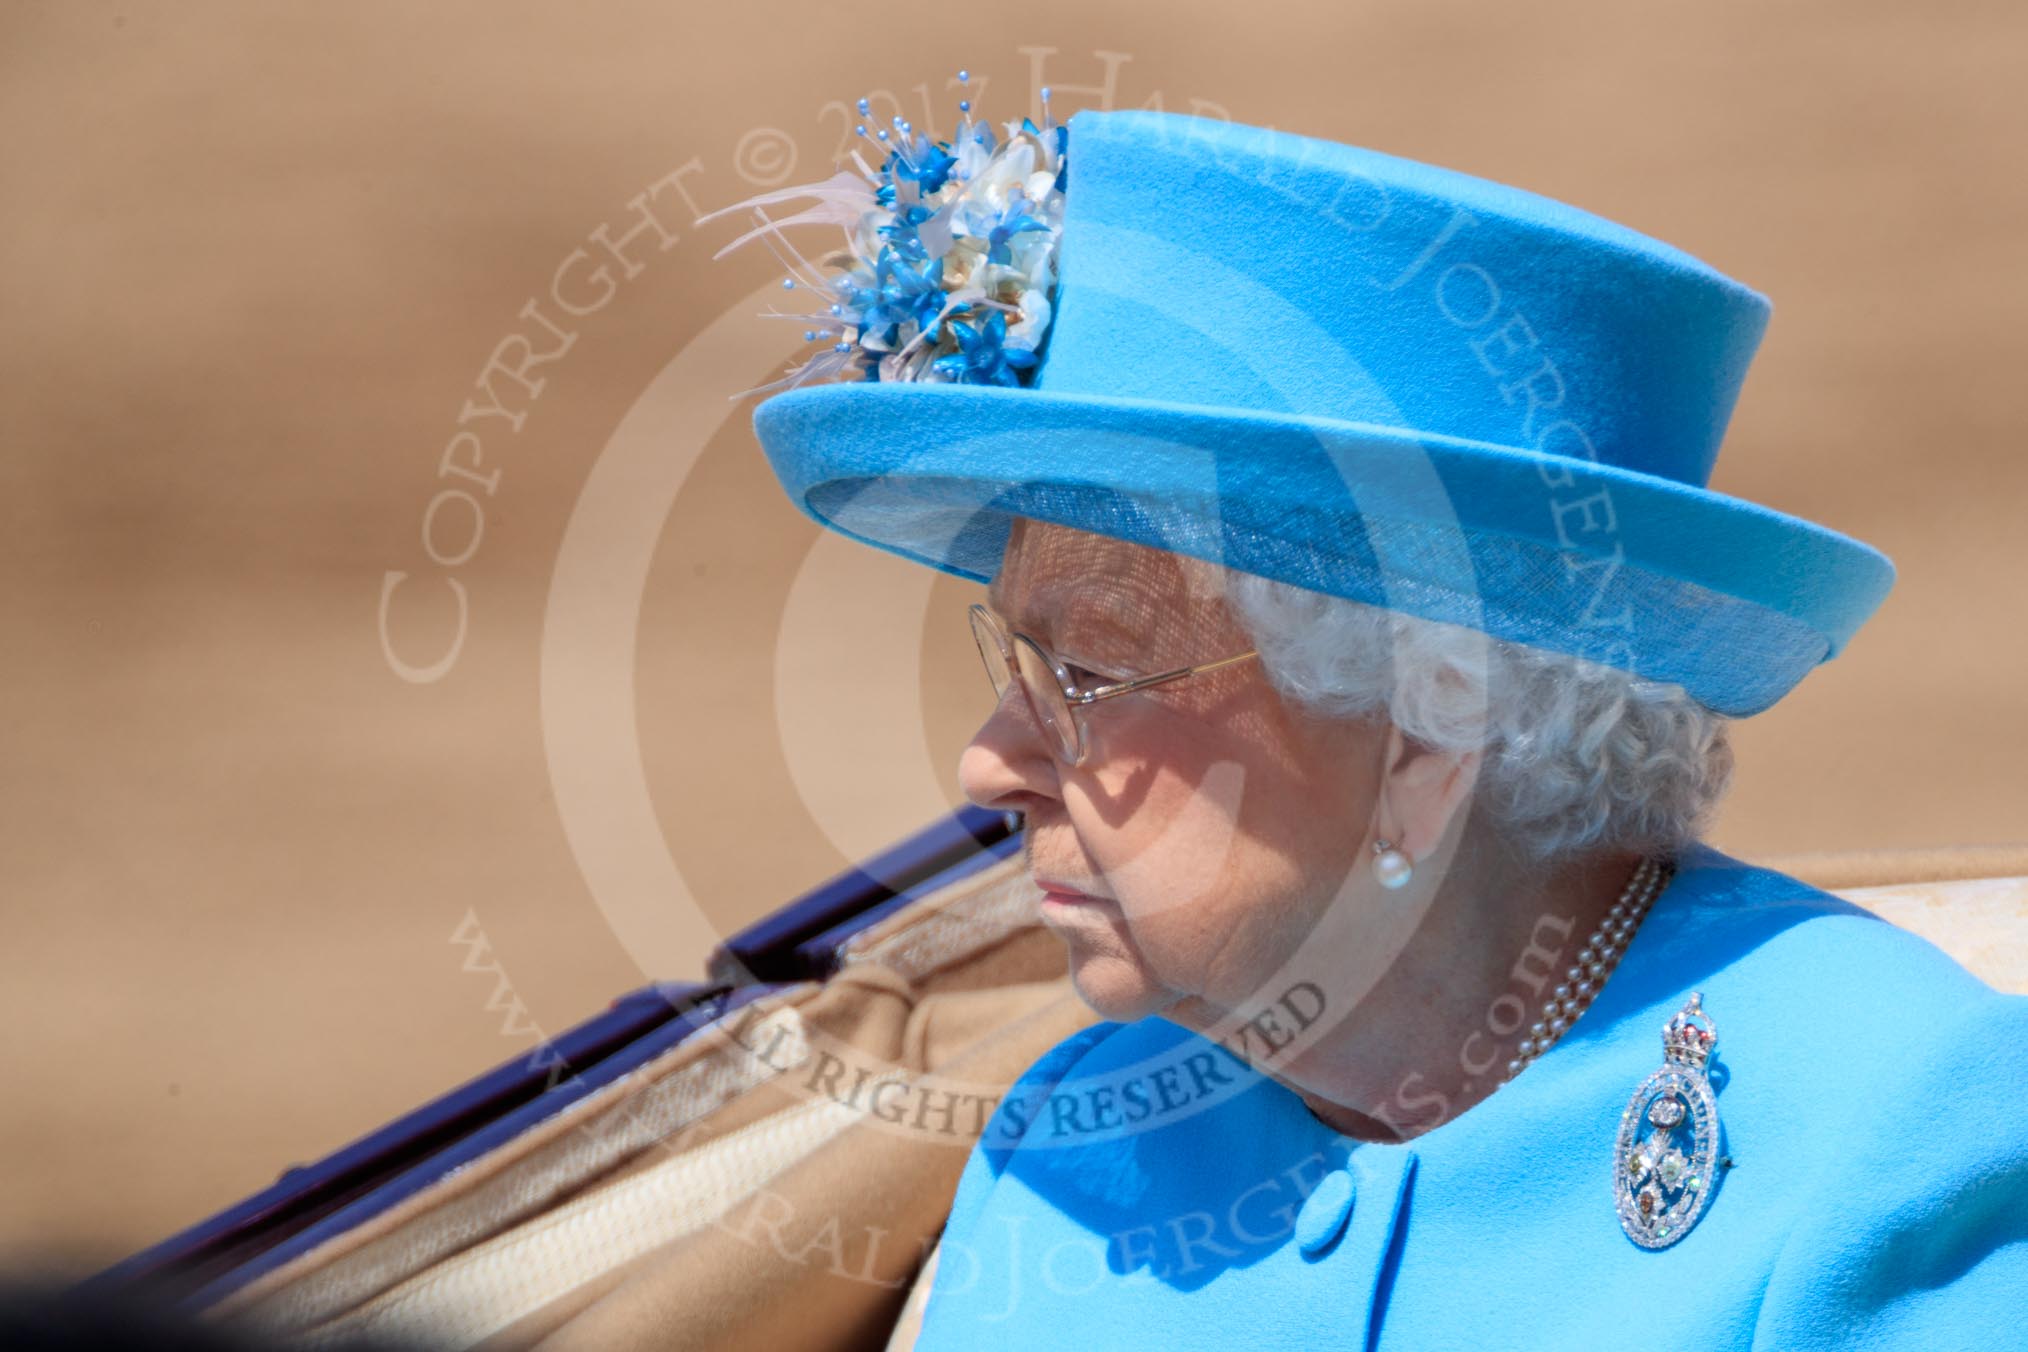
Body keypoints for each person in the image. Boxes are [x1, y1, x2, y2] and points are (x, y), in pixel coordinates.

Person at [724, 93, 2028, 1347]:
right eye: (1017, 660)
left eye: (1094, 671)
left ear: (1430, 728)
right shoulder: (1078, 1146)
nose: (990, 762)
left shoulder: (1891, 1132)